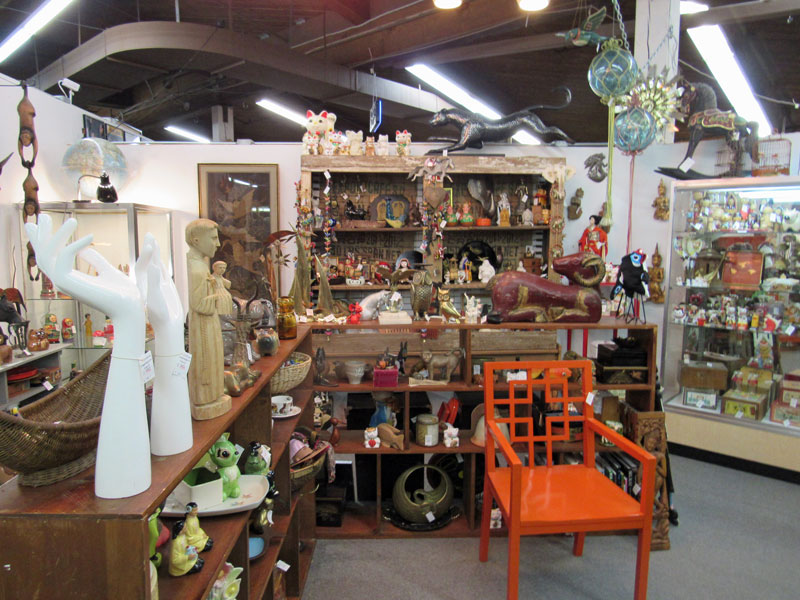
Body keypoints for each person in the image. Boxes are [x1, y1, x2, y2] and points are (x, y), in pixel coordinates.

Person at [186, 218, 231, 420]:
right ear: (196, 240)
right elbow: (199, 304)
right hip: (204, 327)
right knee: (207, 360)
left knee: (214, 358)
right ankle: (205, 398)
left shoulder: (201, 266)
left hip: (209, 323)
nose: (218, 244)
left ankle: (213, 395)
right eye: (213, 238)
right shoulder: (197, 269)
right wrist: (216, 296)